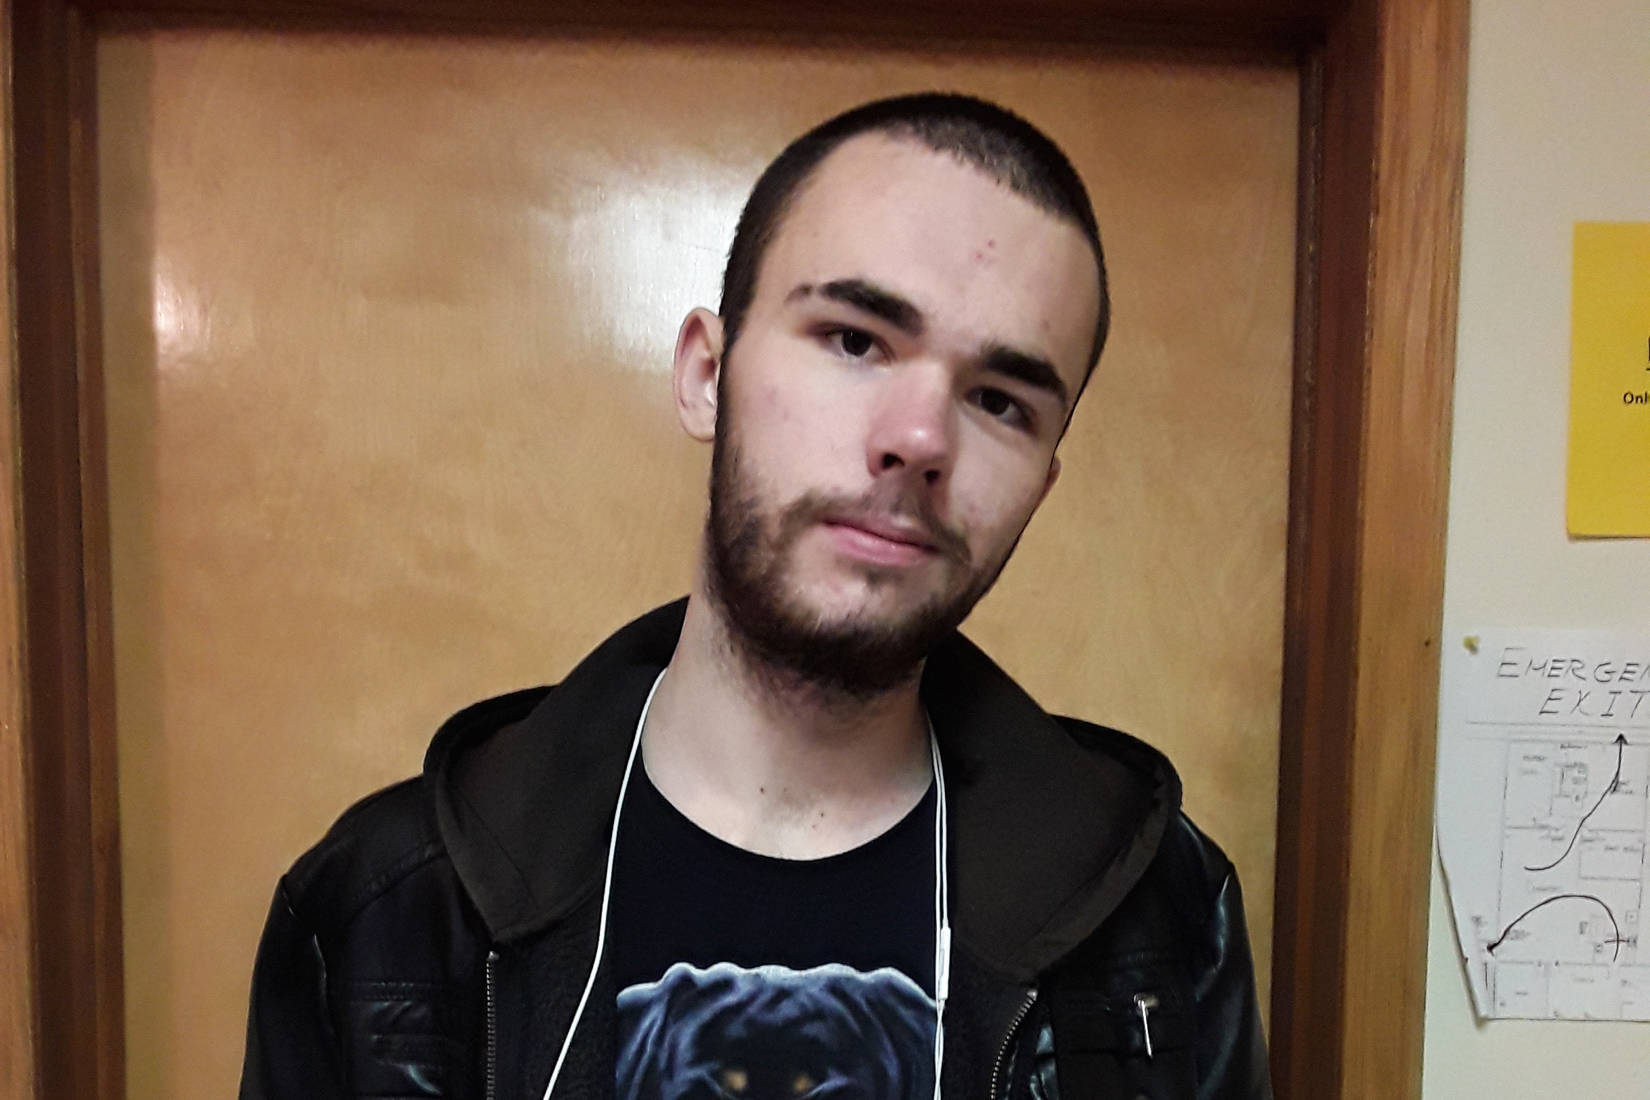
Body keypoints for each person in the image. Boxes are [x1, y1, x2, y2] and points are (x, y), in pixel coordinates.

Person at [239, 92, 1272, 1100]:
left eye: (1000, 401)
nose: (920, 439)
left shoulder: (1157, 913)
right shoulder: (389, 909)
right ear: (707, 373)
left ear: (1040, 484)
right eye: (855, 339)